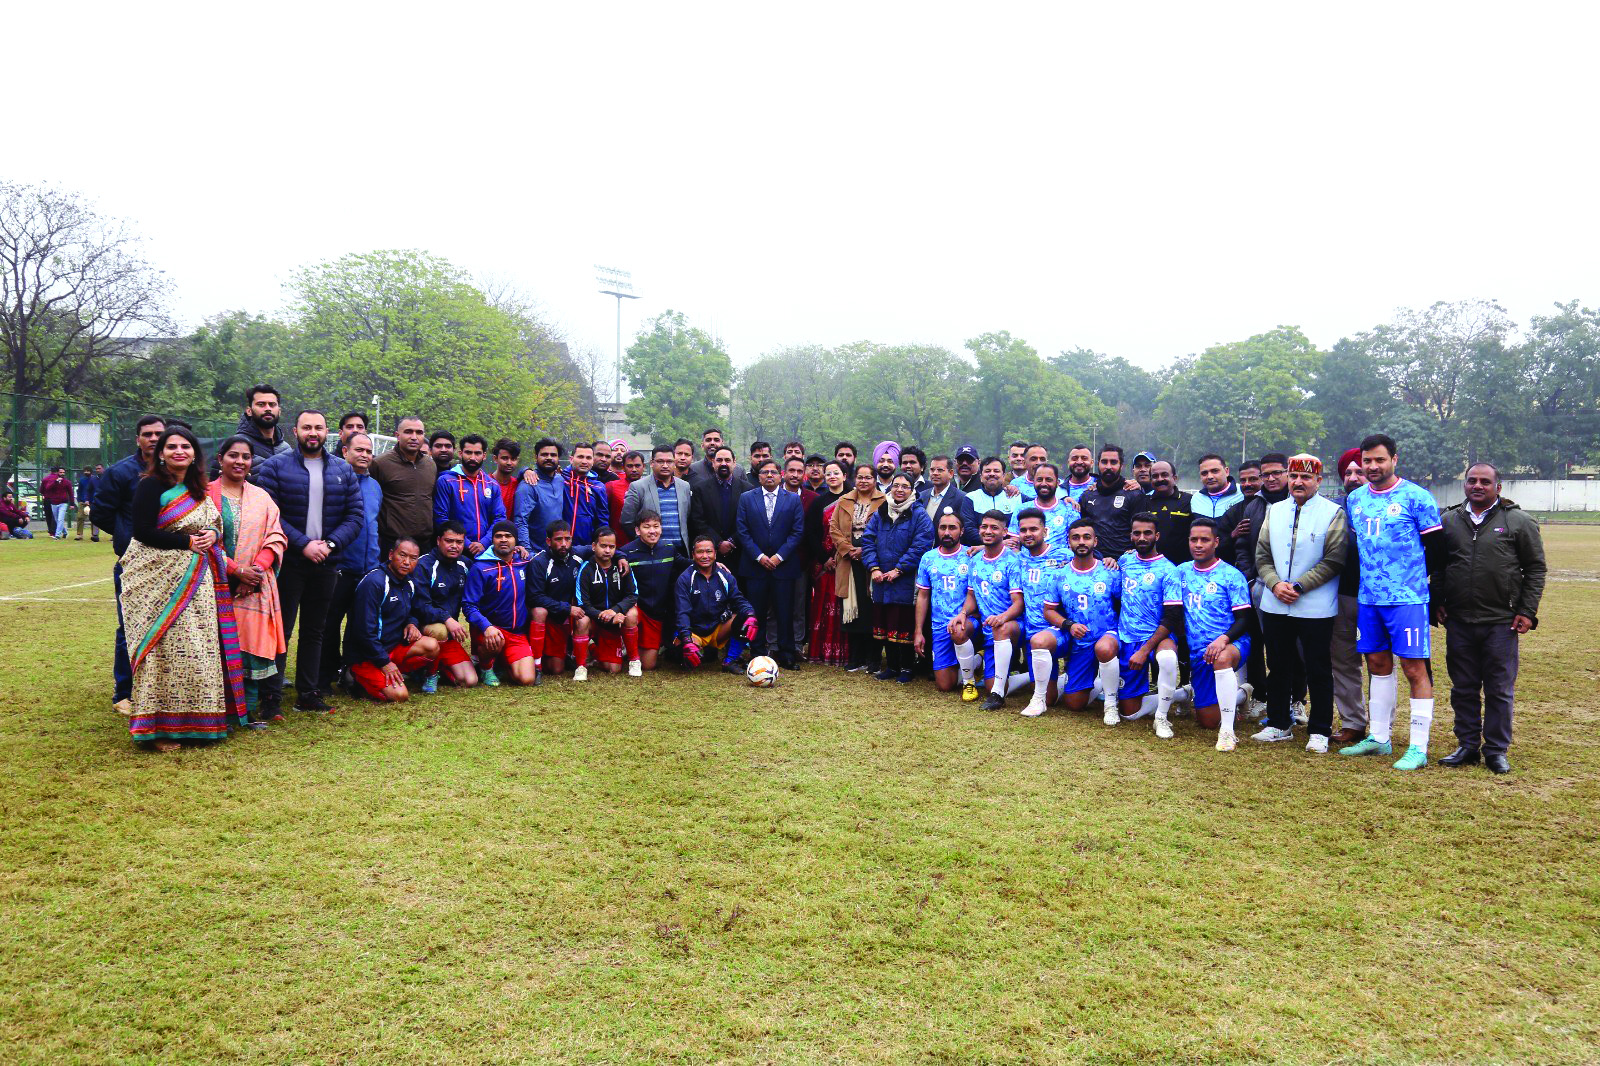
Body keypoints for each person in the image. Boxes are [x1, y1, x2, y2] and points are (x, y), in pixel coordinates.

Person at [120, 426, 247, 750]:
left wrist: (212, 537)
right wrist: (187, 541)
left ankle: (197, 724)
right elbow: (143, 531)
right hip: (158, 579)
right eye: (171, 446)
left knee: (198, 650)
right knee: (161, 652)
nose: (179, 451)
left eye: (185, 446)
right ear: (160, 453)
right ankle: (158, 731)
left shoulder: (199, 489)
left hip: (198, 581)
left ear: (194, 454)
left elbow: (215, 526)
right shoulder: (151, 485)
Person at [1340, 433, 1444, 770]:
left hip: (1408, 600)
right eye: (1367, 461)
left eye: (1379, 460)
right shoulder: (1355, 499)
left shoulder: (1417, 497)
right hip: (1369, 599)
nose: (1372, 466)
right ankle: (1379, 739)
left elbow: (1439, 552)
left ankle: (1418, 747)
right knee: (1378, 666)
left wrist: (1420, 587)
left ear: (1394, 460)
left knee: (1414, 668)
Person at [252, 410, 363, 716]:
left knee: (316, 630)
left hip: (327, 563)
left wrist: (328, 545)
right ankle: (271, 698)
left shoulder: (343, 469)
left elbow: (354, 517)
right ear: (295, 430)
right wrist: (303, 545)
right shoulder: (276, 466)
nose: (312, 432)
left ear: (327, 431)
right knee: (281, 631)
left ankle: (308, 693)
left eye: (318, 427)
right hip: (288, 563)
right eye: (307, 427)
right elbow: (270, 514)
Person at [1437, 463, 1546, 775]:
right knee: (1463, 687)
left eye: (1485, 481)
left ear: (1498, 487)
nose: (1478, 486)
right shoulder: (1449, 521)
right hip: (1458, 620)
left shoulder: (1518, 521)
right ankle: (1468, 745)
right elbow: (1440, 567)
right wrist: (1439, 602)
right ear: (1465, 485)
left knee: (1499, 689)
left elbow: (1535, 568)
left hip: (1501, 621)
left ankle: (1496, 750)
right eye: (1472, 480)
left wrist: (1527, 610)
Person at [1253, 454, 1347, 752]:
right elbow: (1262, 555)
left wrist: (1298, 585)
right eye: (1294, 477)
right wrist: (1275, 583)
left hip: (1315, 604)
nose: (1298, 482)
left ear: (1319, 481)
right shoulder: (1276, 511)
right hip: (1276, 601)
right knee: (1278, 665)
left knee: (1317, 666)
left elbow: (1334, 559)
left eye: (1306, 477)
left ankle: (1319, 729)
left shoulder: (1333, 513)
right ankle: (1278, 723)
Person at [208, 435, 288, 728]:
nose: (239, 461)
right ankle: (219, 713)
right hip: (213, 583)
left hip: (254, 586)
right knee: (217, 648)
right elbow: (205, 540)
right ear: (220, 459)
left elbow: (276, 536)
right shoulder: (205, 495)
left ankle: (245, 712)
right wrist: (235, 570)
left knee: (249, 647)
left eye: (245, 456)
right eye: (233, 455)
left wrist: (253, 572)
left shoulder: (261, 497)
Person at [93, 415, 166, 713]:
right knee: (129, 628)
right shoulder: (121, 472)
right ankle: (124, 692)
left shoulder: (178, 471)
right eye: (147, 434)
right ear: (138, 439)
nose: (152, 438)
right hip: (133, 563)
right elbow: (101, 512)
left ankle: (162, 688)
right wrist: (127, 536)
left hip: (172, 563)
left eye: (158, 434)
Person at [1176, 519, 1254, 751]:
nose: (1198, 544)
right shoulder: (1180, 572)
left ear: (1216, 542)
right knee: (1207, 720)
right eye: (1194, 540)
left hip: (1231, 643)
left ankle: (1228, 732)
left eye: (1205, 540)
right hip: (1199, 652)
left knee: (1221, 658)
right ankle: (1242, 694)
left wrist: (1223, 639)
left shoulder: (1231, 575)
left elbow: (1244, 619)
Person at [319, 431, 382, 698]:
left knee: (360, 626)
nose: (364, 455)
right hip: (340, 567)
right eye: (359, 450)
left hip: (368, 569)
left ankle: (352, 674)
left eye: (368, 451)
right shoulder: (333, 481)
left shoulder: (375, 487)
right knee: (329, 624)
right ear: (345, 452)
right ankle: (322, 678)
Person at [1226, 452, 1289, 717]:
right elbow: (1241, 544)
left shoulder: (1296, 501)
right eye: (1267, 475)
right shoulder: (1252, 506)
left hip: (1294, 589)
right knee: (1260, 646)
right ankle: (1263, 697)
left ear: (1287, 472)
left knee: (1290, 650)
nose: (1270, 478)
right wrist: (1250, 578)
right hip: (1259, 587)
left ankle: (1294, 700)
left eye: (1277, 473)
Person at [344, 537, 443, 702]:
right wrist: (384, 662)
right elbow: (363, 632)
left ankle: (396, 674)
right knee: (400, 696)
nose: (406, 562)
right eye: (402, 555)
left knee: (432, 645)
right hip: (366, 656)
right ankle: (355, 677)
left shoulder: (408, 583)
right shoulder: (374, 582)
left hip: (392, 648)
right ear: (391, 555)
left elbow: (410, 611)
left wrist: (412, 623)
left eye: (413, 558)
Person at [1114, 514, 1184, 737]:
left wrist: (1145, 650)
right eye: (1137, 533)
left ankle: (1162, 717)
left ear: (1157, 536)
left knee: (1167, 658)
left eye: (1147, 533)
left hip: (1156, 637)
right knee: (1129, 714)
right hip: (1127, 638)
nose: (1142, 537)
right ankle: (1180, 694)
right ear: (1131, 535)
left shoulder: (1169, 570)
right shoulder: (1124, 561)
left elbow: (1172, 617)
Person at [1048, 518, 1123, 723]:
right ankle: (1096, 681)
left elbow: (1123, 603)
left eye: (1086, 537)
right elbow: (1049, 610)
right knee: (1074, 704)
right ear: (1069, 542)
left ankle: (1110, 704)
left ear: (1095, 542)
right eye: (1076, 538)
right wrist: (1069, 625)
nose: (1081, 542)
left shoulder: (1110, 572)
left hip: (1108, 636)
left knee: (1105, 648)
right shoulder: (1059, 574)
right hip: (1080, 642)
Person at [736, 459, 807, 669]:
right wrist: (759, 556)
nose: (769, 475)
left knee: (784, 611)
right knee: (756, 612)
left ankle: (786, 652)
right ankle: (757, 652)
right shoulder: (746, 498)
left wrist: (778, 557)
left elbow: (797, 532)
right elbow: (742, 531)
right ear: (758, 476)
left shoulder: (793, 500)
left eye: (773, 472)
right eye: (765, 472)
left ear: (780, 475)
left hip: (783, 566)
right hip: (755, 565)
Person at [914, 510, 982, 699]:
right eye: (943, 527)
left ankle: (969, 681)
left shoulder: (971, 556)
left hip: (967, 622)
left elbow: (973, 594)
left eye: (952, 528)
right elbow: (923, 596)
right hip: (939, 627)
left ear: (961, 531)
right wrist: (918, 631)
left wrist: (963, 614)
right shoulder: (928, 558)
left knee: (958, 631)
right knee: (944, 686)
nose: (947, 532)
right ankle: (976, 660)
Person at [464, 521, 539, 686]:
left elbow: (543, 557)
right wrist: (486, 626)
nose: (503, 540)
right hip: (491, 630)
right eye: (498, 536)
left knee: (526, 679)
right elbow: (469, 606)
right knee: (497, 639)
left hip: (517, 633)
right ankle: (485, 667)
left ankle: (502, 662)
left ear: (516, 541)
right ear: (493, 540)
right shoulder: (480, 567)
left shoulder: (524, 562)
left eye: (508, 536)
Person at [1013, 506, 1069, 717]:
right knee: (1051, 698)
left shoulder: (1064, 555)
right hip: (1031, 632)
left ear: (1045, 531)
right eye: (1023, 530)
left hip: (1059, 630)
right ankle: (1057, 682)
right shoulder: (1019, 559)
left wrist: (1107, 560)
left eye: (1033, 529)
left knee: (1057, 699)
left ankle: (1039, 698)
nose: (1028, 534)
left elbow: (1089, 562)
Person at [966, 510, 1024, 711]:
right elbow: (971, 597)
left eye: (994, 527)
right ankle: (978, 661)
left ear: (1005, 531)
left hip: (1010, 627)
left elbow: (1018, 603)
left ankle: (1001, 692)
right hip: (985, 628)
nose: (988, 531)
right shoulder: (975, 560)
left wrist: (1002, 618)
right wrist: (962, 614)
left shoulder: (1013, 561)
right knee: (959, 627)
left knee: (993, 687)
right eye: (984, 526)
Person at [1329, 448, 1368, 744]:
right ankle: (1353, 722)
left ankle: (1382, 728)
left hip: (1383, 598)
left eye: (1360, 471)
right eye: (1348, 473)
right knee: (1343, 661)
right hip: (1342, 595)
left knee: (1383, 664)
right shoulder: (1334, 511)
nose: (1354, 478)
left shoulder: (1392, 505)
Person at [831, 464, 886, 672]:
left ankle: (873, 659)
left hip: (872, 562)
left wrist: (864, 550)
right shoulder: (844, 500)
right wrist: (848, 549)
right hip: (848, 562)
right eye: (860, 477)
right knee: (851, 611)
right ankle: (855, 658)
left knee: (871, 611)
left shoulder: (884, 501)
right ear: (854, 479)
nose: (863, 481)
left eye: (868, 478)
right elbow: (833, 528)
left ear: (874, 480)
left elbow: (886, 530)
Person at [676, 535, 759, 672]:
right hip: (695, 632)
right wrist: (686, 638)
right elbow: (682, 612)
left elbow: (739, 600)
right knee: (684, 659)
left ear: (715, 553)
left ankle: (730, 661)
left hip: (718, 629)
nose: (704, 556)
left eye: (708, 551)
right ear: (693, 554)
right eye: (700, 552)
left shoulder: (725, 576)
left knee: (747, 617)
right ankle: (696, 650)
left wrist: (751, 614)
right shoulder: (685, 579)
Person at [415, 521, 478, 693]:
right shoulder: (424, 565)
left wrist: (516, 552)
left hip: (448, 636)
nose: (454, 546)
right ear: (438, 540)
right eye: (449, 541)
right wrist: (446, 618)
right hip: (423, 631)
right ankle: (430, 673)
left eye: (459, 542)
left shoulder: (465, 564)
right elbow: (420, 606)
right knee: (439, 630)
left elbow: (488, 567)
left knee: (469, 680)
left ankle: (436, 665)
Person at [528, 519, 593, 681]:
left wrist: (621, 557)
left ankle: (570, 653)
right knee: (539, 610)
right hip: (547, 616)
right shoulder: (539, 562)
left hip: (566, 616)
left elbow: (600, 546)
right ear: (549, 541)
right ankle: (536, 665)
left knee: (557, 668)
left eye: (567, 539)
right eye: (558, 539)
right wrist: (566, 608)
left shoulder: (578, 554)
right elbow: (534, 597)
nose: (564, 544)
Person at [576, 526, 643, 676]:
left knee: (613, 668)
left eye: (611, 547)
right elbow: (583, 604)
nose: (607, 550)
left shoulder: (622, 567)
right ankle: (581, 667)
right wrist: (604, 616)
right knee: (581, 619)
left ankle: (634, 661)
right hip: (595, 618)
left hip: (615, 617)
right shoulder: (586, 569)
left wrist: (614, 611)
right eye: (603, 546)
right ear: (594, 546)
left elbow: (633, 595)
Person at [620, 510, 682, 670]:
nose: (652, 531)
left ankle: (635, 647)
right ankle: (625, 648)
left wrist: (713, 564)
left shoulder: (669, 548)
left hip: (655, 613)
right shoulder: (625, 552)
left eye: (656, 526)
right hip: (635, 608)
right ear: (637, 530)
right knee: (630, 615)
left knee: (648, 665)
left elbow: (686, 563)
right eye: (647, 527)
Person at [371, 415, 437, 554]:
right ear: (397, 435)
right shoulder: (380, 463)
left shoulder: (430, 464)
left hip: (424, 543)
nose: (414, 437)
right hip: (392, 542)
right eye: (408, 431)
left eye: (419, 433)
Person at [805, 461, 849, 666]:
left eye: (836, 473)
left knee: (845, 606)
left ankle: (846, 654)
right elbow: (811, 534)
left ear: (844, 476)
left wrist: (842, 556)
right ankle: (820, 652)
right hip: (825, 564)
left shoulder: (852, 498)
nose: (832, 476)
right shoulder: (818, 502)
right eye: (828, 473)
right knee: (823, 606)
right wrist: (825, 559)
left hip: (847, 561)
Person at [433, 433, 504, 556]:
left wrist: (484, 542)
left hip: (485, 550)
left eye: (477, 453)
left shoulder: (492, 484)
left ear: (484, 456)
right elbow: (440, 517)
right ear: (460, 454)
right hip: (454, 550)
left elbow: (499, 518)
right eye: (468, 453)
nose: (473, 457)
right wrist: (465, 543)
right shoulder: (446, 481)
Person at [689, 445, 751, 572]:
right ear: (713, 463)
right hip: (710, 554)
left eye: (727, 460)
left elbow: (749, 520)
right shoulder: (700, 489)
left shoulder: (747, 489)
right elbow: (698, 520)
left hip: (739, 552)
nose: (723, 464)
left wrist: (732, 541)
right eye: (719, 460)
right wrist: (718, 543)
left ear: (734, 463)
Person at [1077, 444, 1144, 560]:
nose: (1108, 466)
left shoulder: (1134, 494)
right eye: (1104, 462)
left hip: (1124, 562)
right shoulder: (1087, 496)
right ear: (1098, 464)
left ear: (1121, 466)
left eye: (1113, 462)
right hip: (1095, 563)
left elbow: (1140, 533)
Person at [621, 444, 691, 553]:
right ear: (652, 463)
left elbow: (687, 517)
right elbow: (627, 521)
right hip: (652, 551)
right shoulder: (638, 487)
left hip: (680, 550)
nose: (665, 465)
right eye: (660, 461)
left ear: (674, 463)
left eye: (669, 461)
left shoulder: (685, 486)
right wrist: (643, 541)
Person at [1006, 463, 1078, 552]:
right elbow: (1014, 545)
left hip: (1060, 563)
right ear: (1033, 482)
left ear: (1057, 483)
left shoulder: (1069, 510)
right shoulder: (1021, 509)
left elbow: (1075, 543)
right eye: (1039, 480)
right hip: (1028, 563)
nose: (1044, 484)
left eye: (1049, 480)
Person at [1132, 460, 1193, 566]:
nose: (1160, 479)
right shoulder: (1142, 502)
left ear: (1174, 478)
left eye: (1164, 475)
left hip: (1182, 567)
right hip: (1151, 568)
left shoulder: (1189, 501)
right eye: (1155, 476)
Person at [513, 439, 568, 549]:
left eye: (553, 455)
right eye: (544, 454)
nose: (549, 457)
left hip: (557, 551)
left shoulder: (560, 480)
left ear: (558, 459)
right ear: (536, 457)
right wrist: (528, 552)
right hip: (536, 553)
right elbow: (520, 522)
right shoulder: (528, 485)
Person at [918, 455, 978, 546]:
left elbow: (965, 531)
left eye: (940, 470)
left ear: (950, 473)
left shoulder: (962, 498)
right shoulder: (921, 496)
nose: (935, 473)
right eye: (932, 470)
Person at [232, 384, 293, 464]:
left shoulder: (286, 449)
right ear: (249, 411)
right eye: (261, 404)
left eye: (272, 404)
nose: (268, 409)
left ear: (279, 411)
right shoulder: (235, 445)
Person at [560, 441, 608, 545]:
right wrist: (526, 470)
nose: (584, 461)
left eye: (588, 458)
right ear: (571, 459)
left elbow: (602, 520)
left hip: (586, 546)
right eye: (580, 457)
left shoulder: (598, 487)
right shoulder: (560, 479)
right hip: (560, 544)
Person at [606, 450, 645, 541]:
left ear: (644, 466)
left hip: (645, 541)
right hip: (619, 542)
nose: (634, 469)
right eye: (630, 466)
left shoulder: (651, 486)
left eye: (637, 466)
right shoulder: (611, 486)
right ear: (623, 467)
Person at [1193, 453, 1243, 519]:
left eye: (1215, 471)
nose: (1210, 477)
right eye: (1204, 473)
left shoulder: (1242, 494)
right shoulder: (1196, 499)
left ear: (1226, 471)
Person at [490, 439, 524, 519]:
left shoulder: (519, 485)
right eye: (505, 458)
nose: (509, 463)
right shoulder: (485, 483)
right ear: (495, 459)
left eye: (513, 459)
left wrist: (527, 470)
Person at [41, 466, 72, 538]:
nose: (62, 474)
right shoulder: (54, 480)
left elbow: (70, 493)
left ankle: (56, 534)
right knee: (56, 518)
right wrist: (55, 482)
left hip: (59, 501)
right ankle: (64, 531)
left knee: (56, 517)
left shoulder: (66, 482)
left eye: (63, 472)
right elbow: (48, 488)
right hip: (53, 501)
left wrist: (72, 503)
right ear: (57, 472)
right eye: (61, 472)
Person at [75, 466, 100, 541]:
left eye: (88, 471)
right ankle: (79, 534)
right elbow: (79, 490)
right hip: (82, 501)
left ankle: (94, 534)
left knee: (94, 518)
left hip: (93, 501)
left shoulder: (95, 479)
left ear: (91, 472)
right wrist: (79, 500)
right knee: (80, 517)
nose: (86, 472)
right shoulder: (82, 480)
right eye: (85, 471)